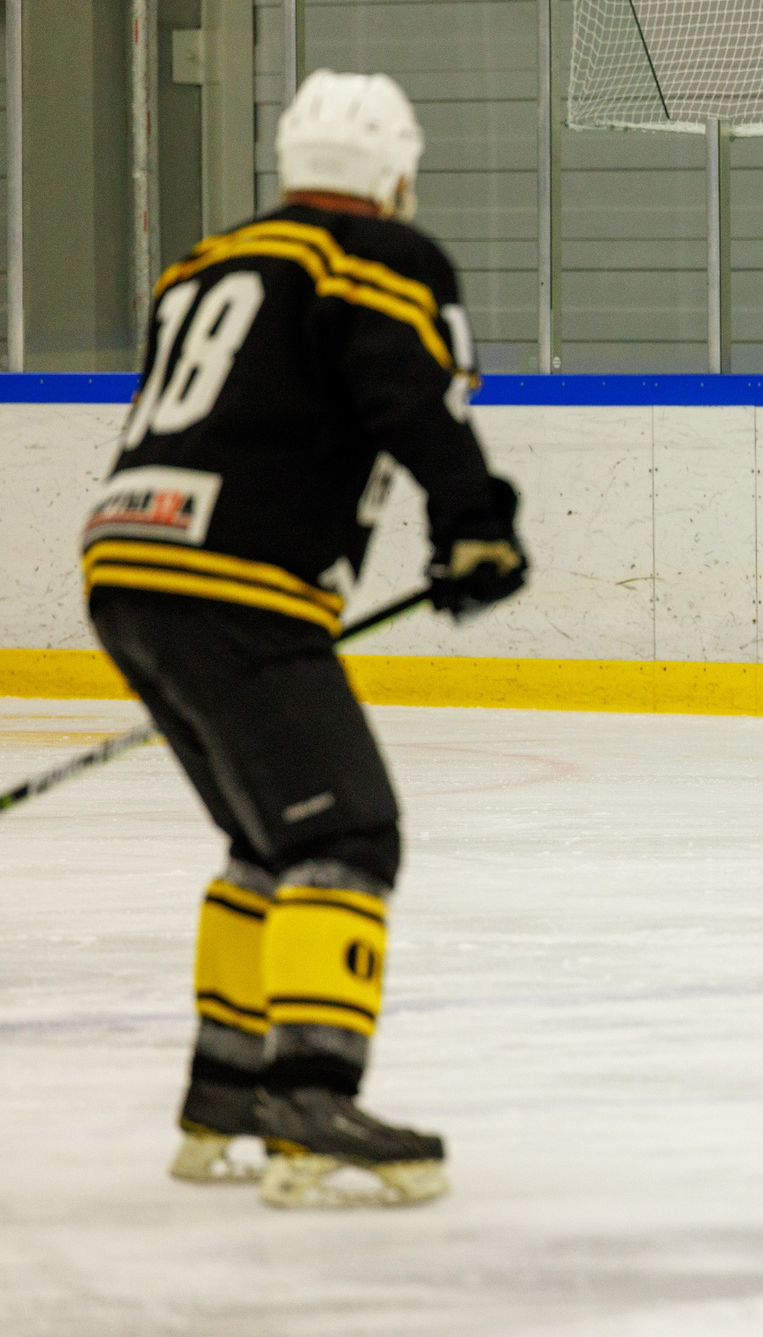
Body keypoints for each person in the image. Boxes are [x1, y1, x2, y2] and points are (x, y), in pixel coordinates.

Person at [83, 70, 530, 1207]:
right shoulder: (377, 254)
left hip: (128, 562)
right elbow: (406, 395)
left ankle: (222, 1102)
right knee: (351, 838)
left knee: (271, 843)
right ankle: (310, 1101)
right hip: (237, 580)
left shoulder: (204, 259)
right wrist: (474, 524)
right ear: (394, 171)